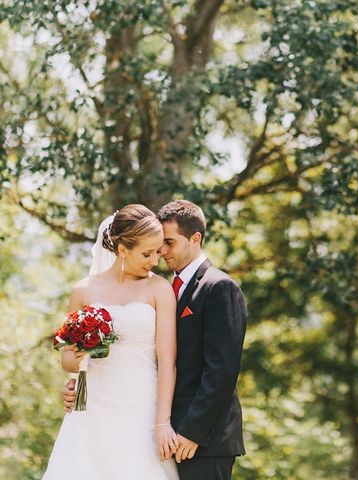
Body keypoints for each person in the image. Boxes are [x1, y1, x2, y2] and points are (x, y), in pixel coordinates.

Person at [63, 199, 247, 480]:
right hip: (143, 420)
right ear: (123, 249)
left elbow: (221, 370)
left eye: (168, 243)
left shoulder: (217, 286)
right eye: (155, 247)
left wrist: (191, 431)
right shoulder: (167, 286)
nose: (160, 253)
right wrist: (78, 381)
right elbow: (78, 356)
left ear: (195, 239)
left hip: (201, 437)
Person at [44, 204, 179, 479]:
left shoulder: (159, 289)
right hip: (92, 407)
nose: (155, 260)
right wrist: (79, 356)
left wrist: (162, 421)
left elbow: (168, 361)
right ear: (122, 249)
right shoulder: (83, 290)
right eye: (146, 253)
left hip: (142, 406)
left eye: (157, 251)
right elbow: (67, 360)